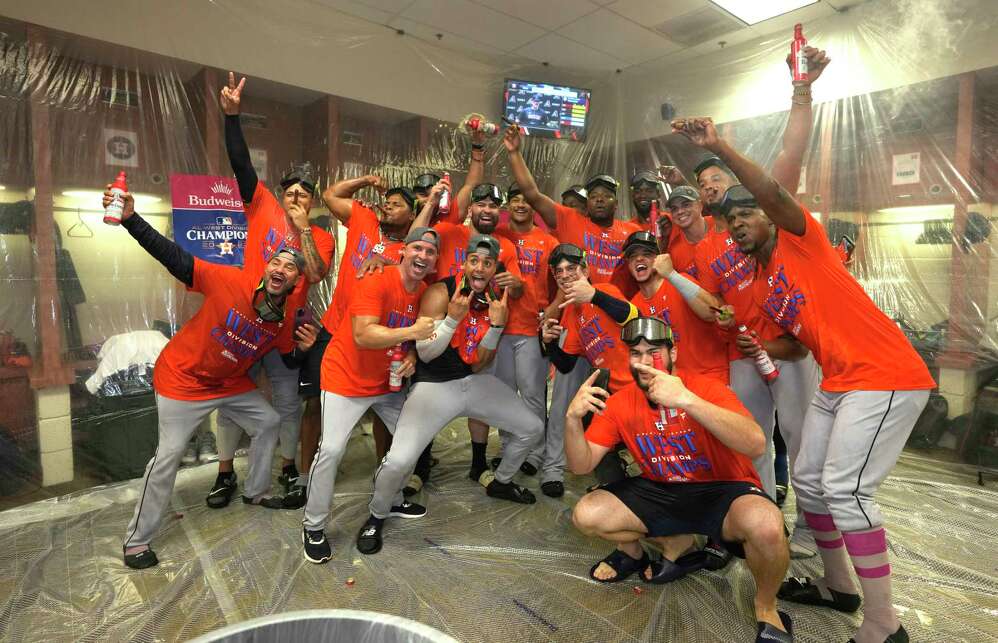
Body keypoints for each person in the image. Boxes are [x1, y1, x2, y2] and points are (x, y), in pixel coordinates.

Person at [674, 116, 934, 643]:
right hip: (840, 381)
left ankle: (885, 625)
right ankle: (838, 586)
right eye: (730, 219)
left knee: (847, 489)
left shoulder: (802, 240)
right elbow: (796, 343)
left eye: (746, 212)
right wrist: (758, 343)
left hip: (885, 375)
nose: (737, 222)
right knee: (811, 482)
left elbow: (772, 188)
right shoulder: (768, 283)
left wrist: (720, 143)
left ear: (769, 217)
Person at [107, 188, 317, 569]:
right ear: (266, 268)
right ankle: (137, 540)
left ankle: (254, 492)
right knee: (168, 455)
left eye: (290, 268)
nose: (281, 269)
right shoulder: (229, 281)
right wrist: (131, 221)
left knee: (269, 421)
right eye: (277, 262)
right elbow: (174, 258)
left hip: (229, 382)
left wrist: (305, 349)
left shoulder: (284, 319)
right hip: (183, 378)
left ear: (295, 283)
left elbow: (287, 356)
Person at [566, 316, 792, 642]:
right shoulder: (621, 401)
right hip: (663, 487)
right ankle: (659, 547)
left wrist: (687, 400)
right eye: (636, 353)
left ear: (675, 352)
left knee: (767, 525)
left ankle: (766, 606)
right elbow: (581, 464)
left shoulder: (705, 388)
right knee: (586, 512)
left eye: (654, 351)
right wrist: (572, 419)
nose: (644, 363)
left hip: (721, 489)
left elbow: (756, 443)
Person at [357, 235, 544, 555]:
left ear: (494, 268)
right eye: (475, 260)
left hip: (473, 381)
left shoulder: (496, 299)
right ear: (465, 263)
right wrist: (453, 319)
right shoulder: (440, 292)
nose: (480, 268)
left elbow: (481, 362)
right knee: (400, 460)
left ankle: (500, 481)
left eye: (488, 263)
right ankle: (377, 514)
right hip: (433, 385)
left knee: (533, 427)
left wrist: (498, 328)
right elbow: (426, 354)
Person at [208, 72, 335, 510]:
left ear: (312, 202)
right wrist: (232, 118)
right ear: (280, 194)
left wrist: (303, 230)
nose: (297, 198)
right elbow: (241, 164)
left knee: (286, 404)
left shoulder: (318, 234)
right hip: (244, 325)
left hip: (283, 336)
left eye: (305, 195)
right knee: (229, 400)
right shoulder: (261, 204)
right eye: (291, 192)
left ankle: (287, 469)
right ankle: (225, 474)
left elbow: (315, 276)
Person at [281, 177, 445, 509]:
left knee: (390, 415)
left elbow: (417, 244)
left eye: (398, 204)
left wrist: (430, 204)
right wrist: (369, 181)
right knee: (315, 407)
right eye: (387, 202)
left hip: (382, 344)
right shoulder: (364, 218)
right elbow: (330, 194)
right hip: (337, 333)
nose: (388, 206)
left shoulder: (408, 256)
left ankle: (385, 481)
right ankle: (304, 478)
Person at [301, 227, 439, 564]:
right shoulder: (376, 278)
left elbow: (411, 343)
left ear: (435, 262)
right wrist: (412, 332)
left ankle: (390, 500)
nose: (422, 255)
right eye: (417, 248)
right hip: (344, 379)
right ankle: (313, 525)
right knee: (331, 450)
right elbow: (363, 334)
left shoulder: (422, 291)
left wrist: (410, 354)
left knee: (410, 440)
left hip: (385, 382)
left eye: (430, 252)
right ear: (403, 251)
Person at [539, 244, 640, 486]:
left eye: (571, 268)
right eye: (559, 271)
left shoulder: (605, 290)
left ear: (585, 270)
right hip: (611, 396)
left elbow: (634, 316)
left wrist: (594, 296)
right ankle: (616, 487)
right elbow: (566, 365)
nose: (564, 275)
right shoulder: (573, 312)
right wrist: (549, 343)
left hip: (637, 387)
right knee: (590, 434)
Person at [487, 183, 559, 493]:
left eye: (525, 200)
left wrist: (550, 315)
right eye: (514, 199)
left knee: (531, 394)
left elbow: (562, 286)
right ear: (507, 206)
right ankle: (509, 449)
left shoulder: (548, 242)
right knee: (503, 395)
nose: (520, 205)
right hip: (501, 328)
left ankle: (536, 452)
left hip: (531, 328)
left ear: (533, 207)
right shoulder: (497, 237)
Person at [621, 231, 728, 383]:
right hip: (676, 387)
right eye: (632, 256)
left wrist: (672, 275)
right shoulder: (635, 306)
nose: (639, 258)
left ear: (658, 259)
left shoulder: (678, 281)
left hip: (712, 377)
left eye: (647, 253)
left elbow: (712, 312)